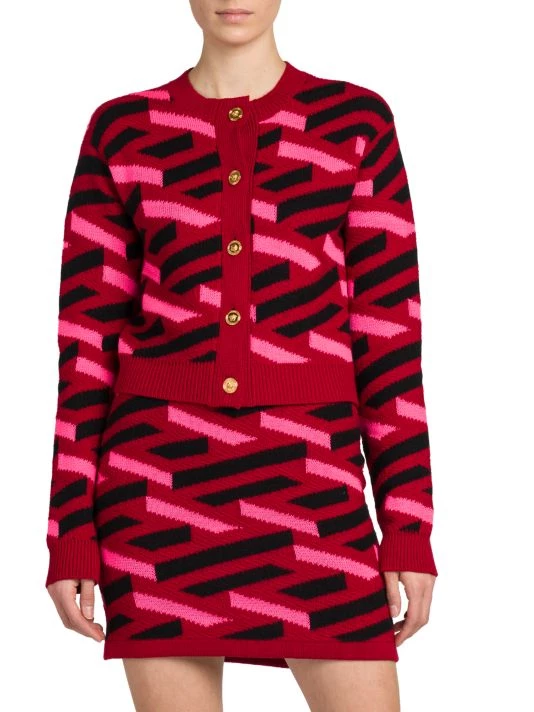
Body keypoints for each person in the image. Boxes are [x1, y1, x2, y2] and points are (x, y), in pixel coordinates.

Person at [45, 1, 438, 709]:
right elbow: (84, 351)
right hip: (157, 499)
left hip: (314, 494)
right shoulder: (123, 130)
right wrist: (69, 531)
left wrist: (407, 528)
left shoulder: (356, 124)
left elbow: (390, 346)